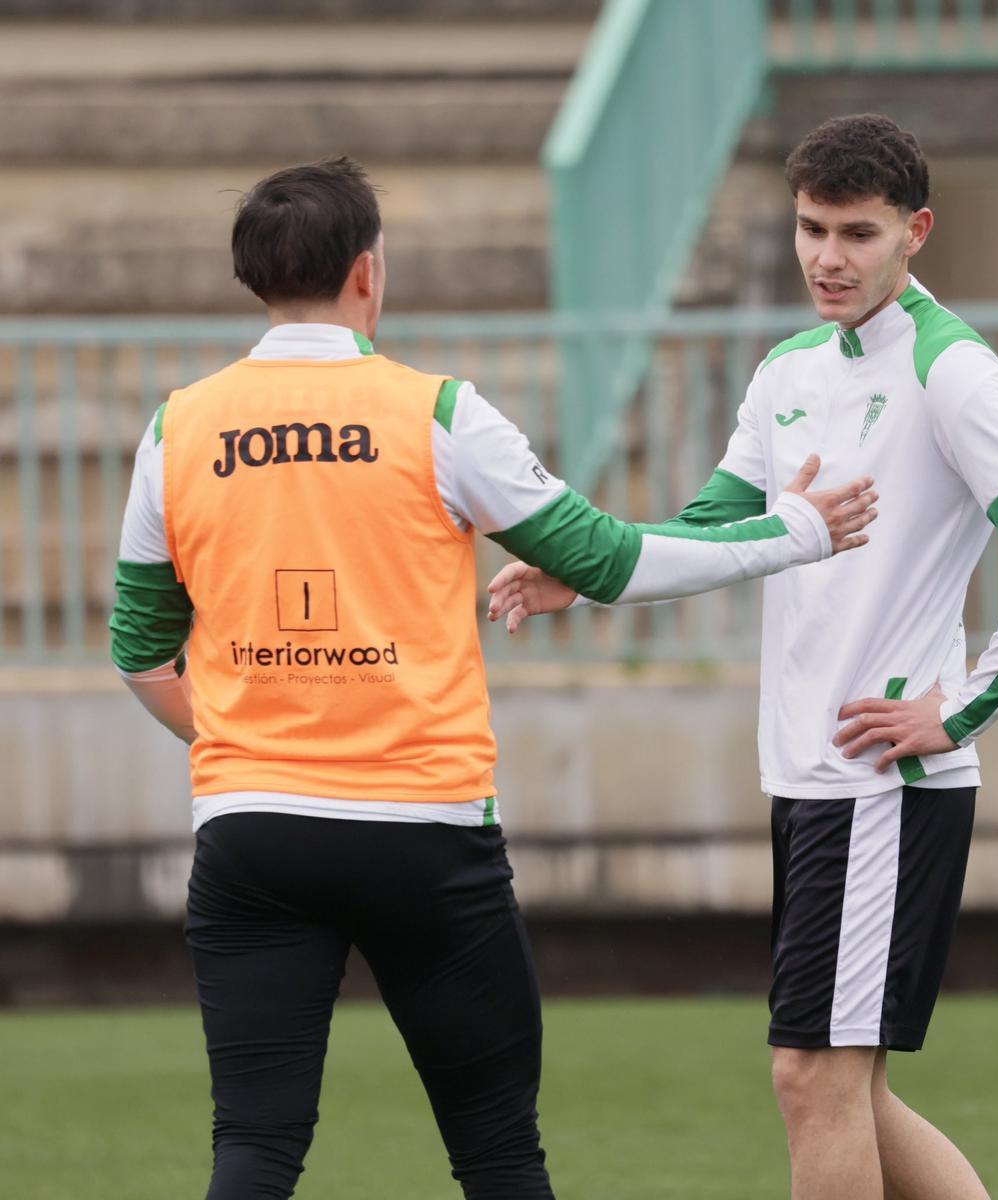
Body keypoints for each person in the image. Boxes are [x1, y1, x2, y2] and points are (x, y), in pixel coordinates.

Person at [108, 156, 878, 1200]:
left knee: (253, 1150)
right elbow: (603, 560)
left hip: (251, 831)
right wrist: (791, 532)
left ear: (251, 276)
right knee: (499, 1155)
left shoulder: (175, 429)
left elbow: (141, 651)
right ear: (369, 273)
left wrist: (253, 745)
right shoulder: (436, 414)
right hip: (423, 832)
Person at [487, 114, 998, 1200]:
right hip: (808, 780)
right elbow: (718, 528)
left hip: (882, 784)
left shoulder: (952, 369)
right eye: (812, 228)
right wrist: (588, 571)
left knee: (810, 1076)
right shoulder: (784, 371)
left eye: (857, 233)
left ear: (916, 232)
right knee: (843, 1086)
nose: (828, 256)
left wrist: (958, 714)